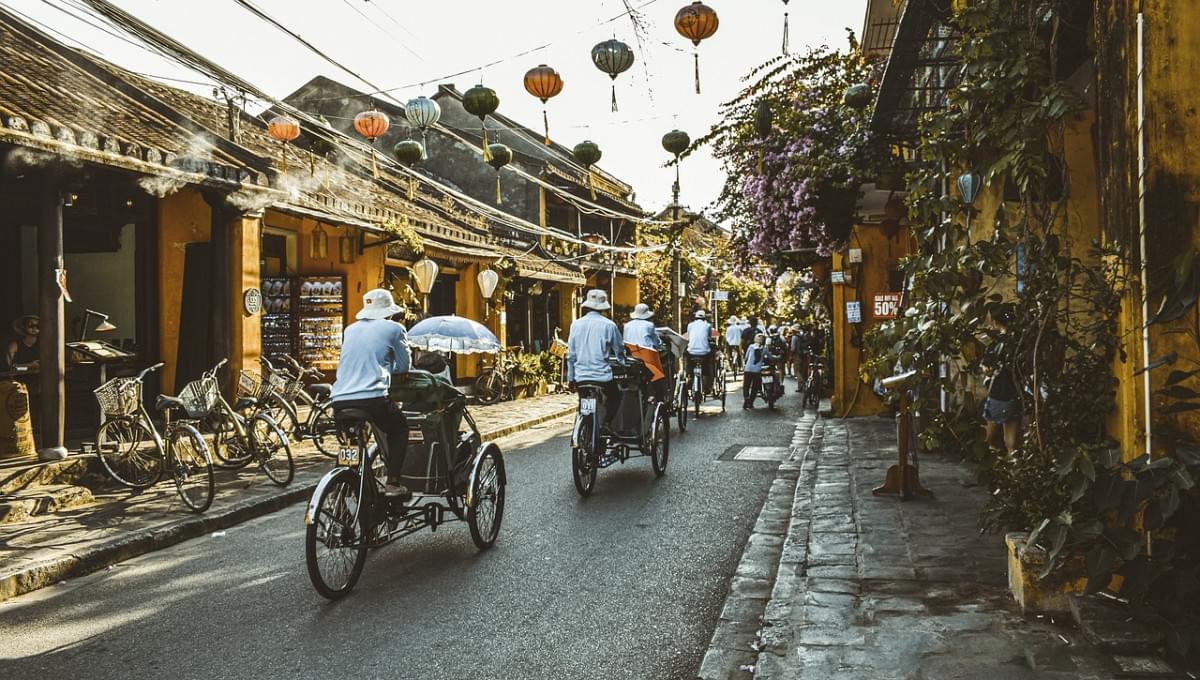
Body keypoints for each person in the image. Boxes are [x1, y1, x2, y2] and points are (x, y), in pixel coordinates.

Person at [331, 289, 412, 500]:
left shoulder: (350, 330)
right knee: (399, 429)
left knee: (351, 443)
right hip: (373, 397)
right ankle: (393, 482)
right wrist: (388, 368)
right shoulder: (395, 328)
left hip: (339, 399)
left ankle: (340, 489)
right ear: (389, 311)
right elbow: (404, 367)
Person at [567, 289, 627, 428]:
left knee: (583, 402)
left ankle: (584, 428)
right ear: (603, 308)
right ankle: (606, 423)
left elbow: (571, 355)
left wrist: (570, 378)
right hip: (602, 378)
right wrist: (622, 362)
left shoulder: (576, 324)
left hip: (581, 377)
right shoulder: (609, 325)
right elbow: (619, 349)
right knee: (615, 396)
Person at [685, 309, 715, 394]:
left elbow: (689, 336)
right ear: (704, 318)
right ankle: (706, 386)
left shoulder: (690, 325)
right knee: (706, 369)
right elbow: (709, 338)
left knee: (689, 364)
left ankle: (689, 377)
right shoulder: (708, 325)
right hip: (704, 352)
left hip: (691, 352)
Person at [743, 333, 773, 408]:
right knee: (755, 387)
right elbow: (770, 358)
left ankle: (746, 398)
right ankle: (751, 402)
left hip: (748, 369)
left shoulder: (750, 347)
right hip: (757, 371)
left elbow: (746, 357)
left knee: (746, 386)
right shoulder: (764, 349)